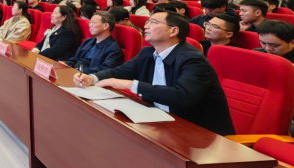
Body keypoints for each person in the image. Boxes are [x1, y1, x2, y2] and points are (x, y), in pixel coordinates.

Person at [74, 12, 235, 135]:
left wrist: (131, 84)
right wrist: (91, 78)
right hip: (159, 121)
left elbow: (183, 97)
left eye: (153, 22)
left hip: (200, 133)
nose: (146, 26)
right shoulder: (147, 53)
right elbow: (120, 71)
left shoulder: (192, 60)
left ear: (173, 31)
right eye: (147, 22)